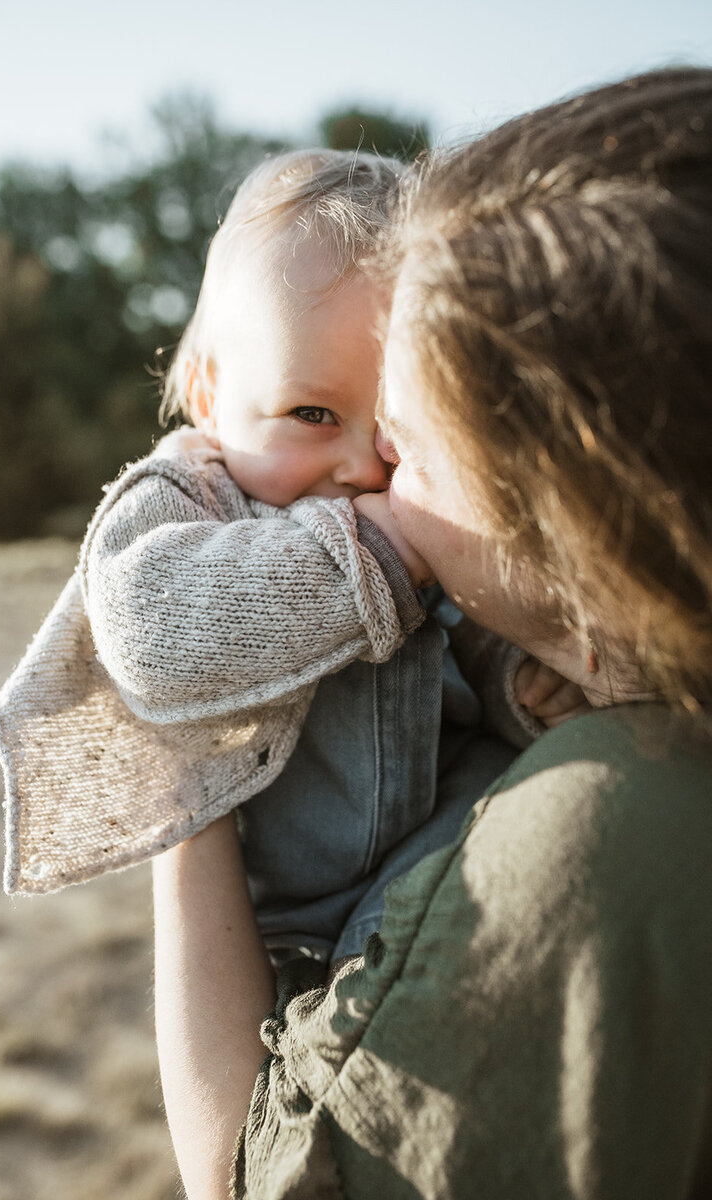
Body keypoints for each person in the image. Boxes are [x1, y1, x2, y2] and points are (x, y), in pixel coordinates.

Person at [151, 68, 712, 1199]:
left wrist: (175, 796)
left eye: (404, 447)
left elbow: (242, 1176)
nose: (365, 482)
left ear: (573, 554)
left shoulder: (615, 819)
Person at [0, 149, 582, 963]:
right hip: (280, 913)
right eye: (312, 413)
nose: (367, 465)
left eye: (400, 423)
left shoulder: (418, 495)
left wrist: (521, 688)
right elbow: (148, 634)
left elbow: (471, 632)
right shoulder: (184, 497)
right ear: (207, 395)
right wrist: (377, 551)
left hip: (434, 850)